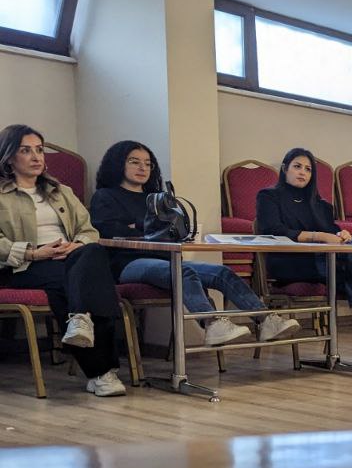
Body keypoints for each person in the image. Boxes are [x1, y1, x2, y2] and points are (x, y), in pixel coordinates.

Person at [89, 140, 300, 347]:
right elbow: (110, 231)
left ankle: (266, 320)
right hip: (128, 263)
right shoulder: (105, 196)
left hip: (165, 259)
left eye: (148, 163)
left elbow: (172, 232)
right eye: (134, 162)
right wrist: (146, 227)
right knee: (184, 272)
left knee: (222, 272)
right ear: (118, 163)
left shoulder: (158, 199)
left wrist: (137, 226)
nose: (143, 168)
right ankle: (212, 324)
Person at [255, 147, 352, 370]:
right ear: (285, 169)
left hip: (325, 261)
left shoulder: (321, 204)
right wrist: (318, 236)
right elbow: (272, 230)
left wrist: (341, 234)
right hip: (291, 262)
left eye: (308, 169)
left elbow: (331, 231)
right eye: (297, 167)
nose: (303, 172)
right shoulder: (268, 196)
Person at [0, 124, 127, 396]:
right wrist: (33, 253)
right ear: (9, 157)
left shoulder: (61, 191)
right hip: (23, 265)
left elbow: (88, 231)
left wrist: (75, 245)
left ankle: (81, 322)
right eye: (26, 151)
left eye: (39, 150)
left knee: (91, 254)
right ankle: (102, 371)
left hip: (69, 257)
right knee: (86, 283)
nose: (36, 157)